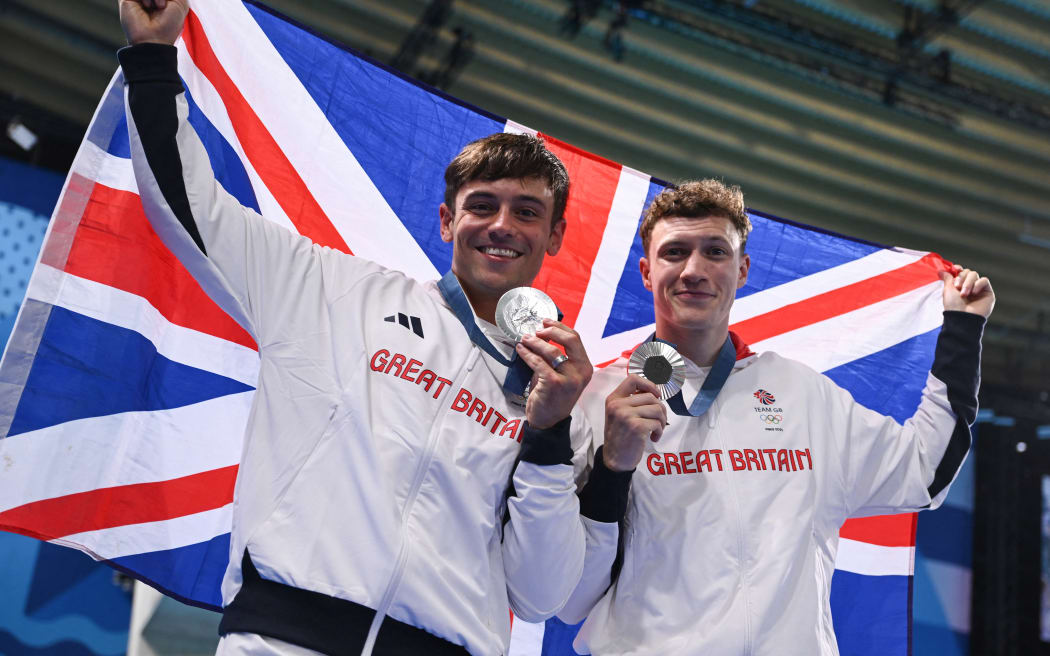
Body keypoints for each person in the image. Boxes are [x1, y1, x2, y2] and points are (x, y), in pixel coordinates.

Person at [117, 1, 600, 654]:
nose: (501, 226)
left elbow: (541, 593)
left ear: (556, 234)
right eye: (481, 205)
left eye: (526, 211)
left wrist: (548, 435)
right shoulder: (329, 289)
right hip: (282, 637)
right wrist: (151, 59)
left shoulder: (563, 390)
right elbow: (189, 205)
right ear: (446, 221)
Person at [559, 179, 993, 654]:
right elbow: (567, 596)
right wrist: (610, 468)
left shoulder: (800, 393)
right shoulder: (599, 399)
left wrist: (963, 331)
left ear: (743, 269)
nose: (694, 270)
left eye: (716, 252)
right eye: (675, 252)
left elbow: (923, 473)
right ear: (646, 271)